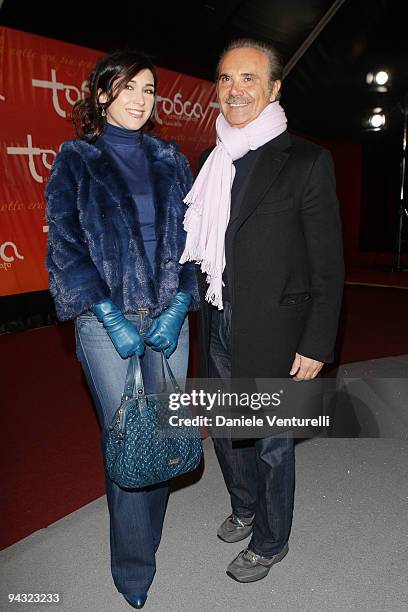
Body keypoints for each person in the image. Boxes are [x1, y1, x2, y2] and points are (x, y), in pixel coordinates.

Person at [180, 38, 344, 583]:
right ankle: (245, 505)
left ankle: (271, 542)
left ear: (274, 88)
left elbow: (327, 265)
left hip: (278, 326)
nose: (235, 89)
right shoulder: (211, 160)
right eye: (226, 78)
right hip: (219, 318)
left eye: (249, 78)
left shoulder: (306, 161)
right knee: (228, 428)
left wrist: (317, 343)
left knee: (271, 442)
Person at [45, 50, 199, 609]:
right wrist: (110, 315)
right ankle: (134, 565)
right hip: (103, 325)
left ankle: (146, 535)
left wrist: (180, 305)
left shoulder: (171, 159)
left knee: (162, 432)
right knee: (127, 435)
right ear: (102, 95)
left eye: (149, 90)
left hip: (169, 319)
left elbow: (193, 242)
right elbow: (64, 250)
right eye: (128, 87)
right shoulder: (75, 159)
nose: (140, 99)